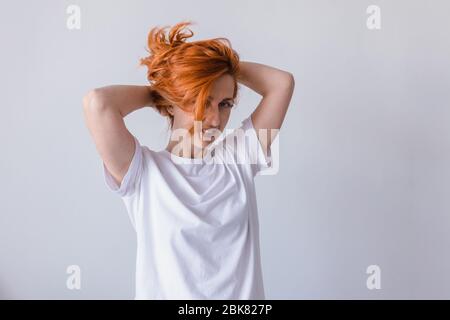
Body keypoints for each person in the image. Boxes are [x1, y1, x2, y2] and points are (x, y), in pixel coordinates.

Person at [82, 21, 295, 299]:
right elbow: (97, 103)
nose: (216, 119)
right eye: (202, 101)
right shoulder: (143, 172)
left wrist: (220, 65)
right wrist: (167, 88)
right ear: (172, 101)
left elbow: (282, 84)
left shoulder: (239, 158)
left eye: (225, 103)